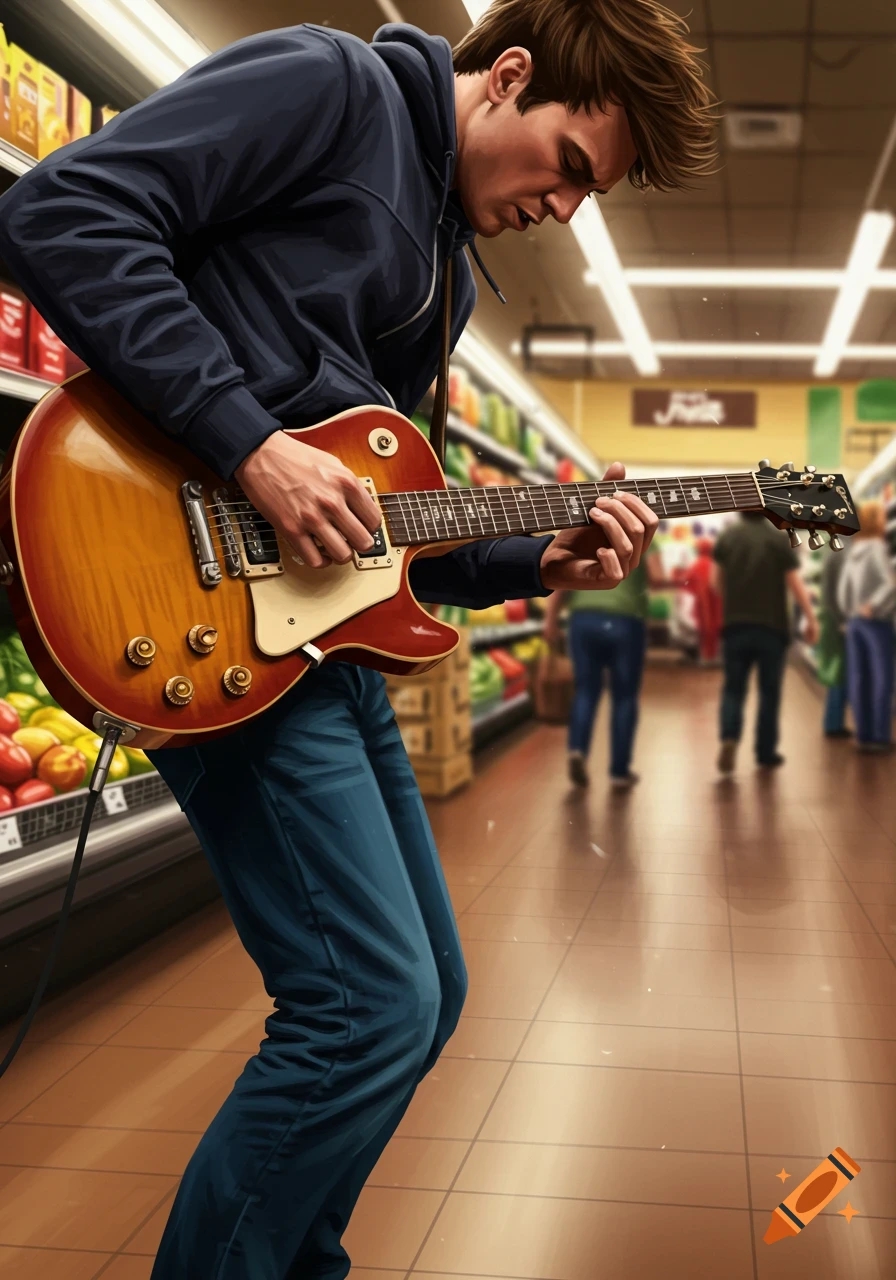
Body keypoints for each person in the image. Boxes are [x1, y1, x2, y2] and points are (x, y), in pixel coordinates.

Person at [0, 3, 714, 1276]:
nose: (564, 209)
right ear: (504, 79)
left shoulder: (437, 258)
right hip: (195, 600)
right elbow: (61, 208)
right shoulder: (330, 87)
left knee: (423, 994)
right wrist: (249, 441)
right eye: (568, 166)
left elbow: (386, 527)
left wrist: (530, 558)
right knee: (362, 1009)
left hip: (316, 639)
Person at [545, 549, 665, 788]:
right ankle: (619, 772)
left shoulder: (582, 536)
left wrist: (550, 621)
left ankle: (577, 750)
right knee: (624, 696)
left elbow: (560, 583)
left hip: (584, 619)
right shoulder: (638, 528)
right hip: (625, 619)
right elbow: (657, 576)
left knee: (586, 690)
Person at [713, 512, 818, 773]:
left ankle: (729, 737)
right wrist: (810, 617)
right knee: (769, 693)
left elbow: (714, 583)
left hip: (736, 625)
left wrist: (735, 597)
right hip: (772, 627)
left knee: (733, 689)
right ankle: (765, 752)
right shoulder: (778, 538)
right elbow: (794, 582)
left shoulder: (727, 537)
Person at [837, 500, 895, 754]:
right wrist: (873, 605)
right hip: (876, 622)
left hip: (854, 623)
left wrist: (850, 614)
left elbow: (843, 590)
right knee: (882, 678)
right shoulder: (876, 549)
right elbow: (889, 585)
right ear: (876, 520)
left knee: (859, 678)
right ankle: (880, 737)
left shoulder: (855, 550)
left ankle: (863, 735)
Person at [818, 545, 851, 738]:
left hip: (832, 619)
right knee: (839, 672)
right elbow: (838, 594)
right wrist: (842, 621)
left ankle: (834, 721)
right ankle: (834, 724)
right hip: (838, 621)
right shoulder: (843, 552)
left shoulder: (833, 551)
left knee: (837, 671)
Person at [683, 535, 722, 663]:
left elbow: (687, 583)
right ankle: (713, 656)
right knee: (715, 628)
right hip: (716, 603)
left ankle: (705, 656)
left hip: (701, 604)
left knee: (703, 629)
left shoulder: (696, 564)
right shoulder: (714, 564)